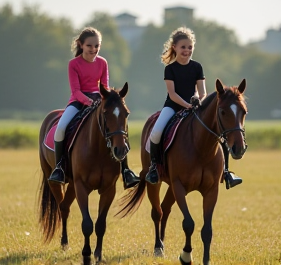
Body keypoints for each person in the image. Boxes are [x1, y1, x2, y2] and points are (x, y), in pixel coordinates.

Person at [145, 26, 242, 186]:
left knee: (221, 133)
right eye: (183, 47)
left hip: (195, 106)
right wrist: (186, 105)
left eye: (190, 47)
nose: (187, 50)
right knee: (156, 132)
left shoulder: (197, 67)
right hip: (173, 106)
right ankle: (155, 167)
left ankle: (226, 172)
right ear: (174, 47)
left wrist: (196, 100)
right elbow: (172, 94)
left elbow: (202, 92)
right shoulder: (170, 69)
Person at [48, 27, 140, 189]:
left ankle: (126, 170)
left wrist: (104, 99)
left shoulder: (102, 62)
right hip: (78, 101)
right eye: (90, 46)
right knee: (61, 128)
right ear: (81, 45)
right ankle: (59, 168)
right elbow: (75, 91)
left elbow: (104, 85)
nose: (94, 49)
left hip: (100, 99)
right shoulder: (73, 64)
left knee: (118, 127)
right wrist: (89, 102)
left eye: (97, 46)